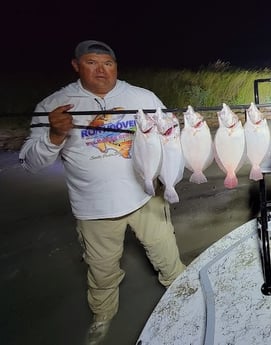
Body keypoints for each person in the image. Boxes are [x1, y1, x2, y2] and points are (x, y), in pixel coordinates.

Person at [18, 40, 186, 345]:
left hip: (145, 197)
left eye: (107, 63)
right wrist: (55, 135)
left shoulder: (141, 96)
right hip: (93, 208)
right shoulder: (53, 105)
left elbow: (170, 141)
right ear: (76, 65)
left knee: (167, 255)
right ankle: (103, 314)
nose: (101, 70)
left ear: (116, 66)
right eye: (92, 63)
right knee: (102, 271)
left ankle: (183, 291)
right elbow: (31, 163)